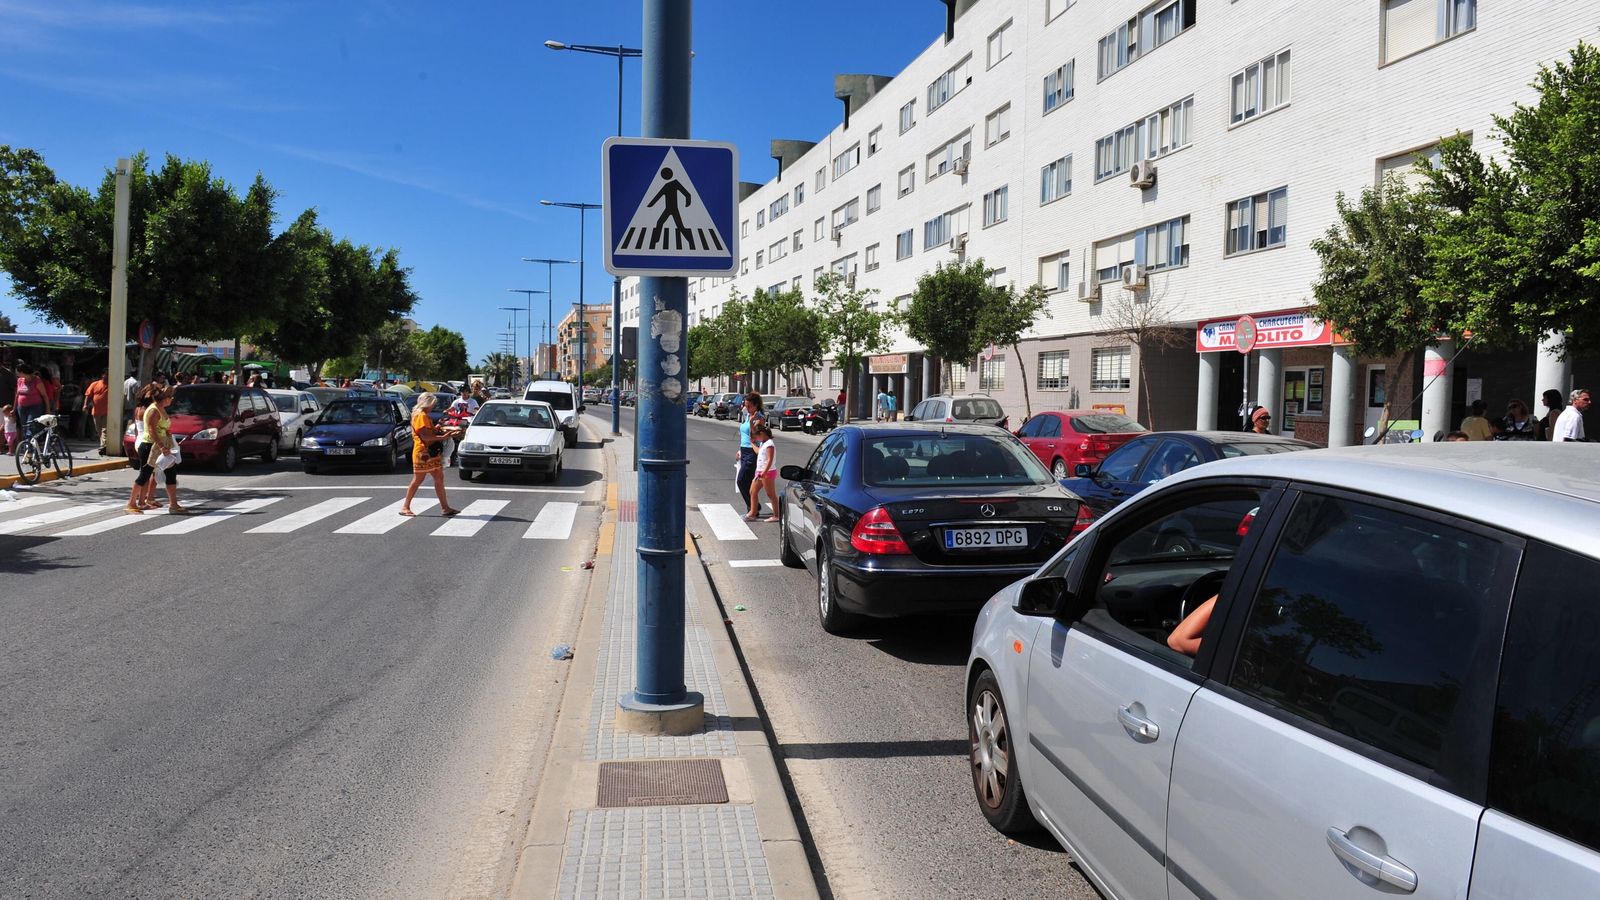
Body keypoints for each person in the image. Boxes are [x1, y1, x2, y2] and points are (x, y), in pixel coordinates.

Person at [128, 385, 193, 515]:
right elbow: (151, 430)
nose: (172, 399)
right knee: (145, 475)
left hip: (162, 445)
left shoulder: (160, 408)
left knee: (171, 473)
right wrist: (162, 446)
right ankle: (131, 503)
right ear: (164, 398)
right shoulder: (153, 410)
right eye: (170, 397)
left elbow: (159, 427)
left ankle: (173, 504)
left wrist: (166, 434)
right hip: (150, 446)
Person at [401, 393, 462, 517]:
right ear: (427, 403)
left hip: (429, 452)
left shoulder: (421, 415)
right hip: (423, 452)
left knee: (438, 478)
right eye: (432, 404)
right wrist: (443, 437)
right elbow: (425, 436)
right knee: (418, 480)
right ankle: (405, 507)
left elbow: (427, 432)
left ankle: (445, 508)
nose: (433, 407)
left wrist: (437, 428)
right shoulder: (421, 415)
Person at [734, 391, 765, 504]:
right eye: (745, 405)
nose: (746, 408)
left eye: (749, 406)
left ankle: (754, 507)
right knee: (746, 482)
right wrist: (740, 450)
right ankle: (753, 508)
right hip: (744, 450)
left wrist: (752, 422)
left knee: (741, 481)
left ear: (756, 405)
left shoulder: (759, 418)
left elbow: (754, 436)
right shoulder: (748, 415)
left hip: (752, 451)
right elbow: (744, 435)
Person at [746, 422, 780, 522]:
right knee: (752, 491)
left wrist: (764, 472)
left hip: (767, 473)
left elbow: (770, 460)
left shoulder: (769, 444)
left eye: (756, 436)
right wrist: (752, 443)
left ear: (761, 434)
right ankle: (752, 513)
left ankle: (776, 515)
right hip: (760, 472)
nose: (756, 438)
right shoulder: (763, 443)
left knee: (771, 494)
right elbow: (758, 452)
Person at [13, 362, 45, 443]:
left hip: (35, 407)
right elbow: (17, 395)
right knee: (24, 427)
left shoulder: (36, 380)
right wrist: (14, 409)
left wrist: (47, 409)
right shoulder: (19, 380)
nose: (16, 374)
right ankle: (28, 445)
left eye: (17, 372)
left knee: (31, 427)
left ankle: (29, 446)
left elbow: (44, 395)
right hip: (21, 407)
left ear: (22, 372)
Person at [83, 371, 110, 452]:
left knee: (105, 430)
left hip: (107, 412)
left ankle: (103, 446)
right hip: (96, 412)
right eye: (106, 374)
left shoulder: (112, 385)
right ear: (102, 375)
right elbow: (88, 395)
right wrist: (85, 405)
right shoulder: (95, 384)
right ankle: (103, 444)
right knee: (98, 430)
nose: (108, 376)